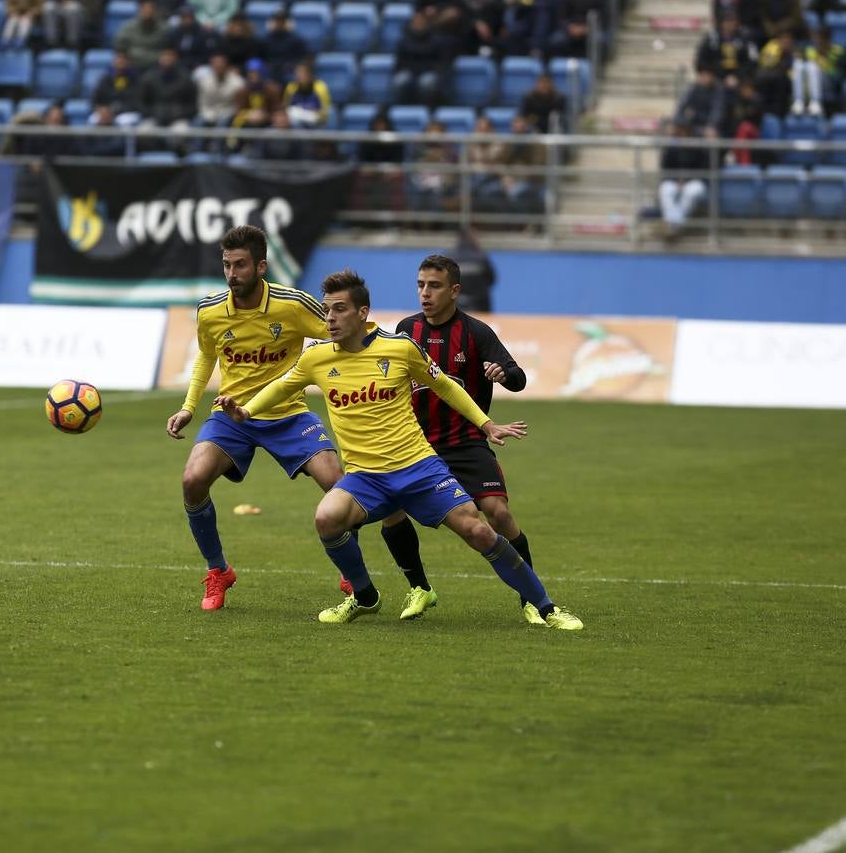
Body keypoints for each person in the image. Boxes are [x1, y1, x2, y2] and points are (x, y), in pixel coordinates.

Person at [215, 269, 581, 629]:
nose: (330, 318)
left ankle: (547, 608)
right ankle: (364, 596)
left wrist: (485, 424)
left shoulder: (400, 348)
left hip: (419, 468)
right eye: (327, 309)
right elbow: (282, 386)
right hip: (365, 478)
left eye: (340, 309)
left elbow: (446, 387)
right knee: (326, 518)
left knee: (480, 532)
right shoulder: (316, 358)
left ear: (362, 313)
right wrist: (246, 411)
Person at [166, 226, 398, 612]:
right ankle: (218, 570)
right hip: (232, 415)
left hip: (288, 414)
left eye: (240, 265)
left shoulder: (293, 305)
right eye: (226, 265)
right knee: (192, 480)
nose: (231, 273)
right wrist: (189, 407)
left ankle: (351, 574)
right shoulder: (209, 310)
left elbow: (343, 333)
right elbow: (207, 355)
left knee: (339, 484)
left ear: (261, 266)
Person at [357, 254, 561, 625]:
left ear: (454, 290)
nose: (425, 293)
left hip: (466, 442)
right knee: (392, 511)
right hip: (415, 444)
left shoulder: (476, 333)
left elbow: (518, 378)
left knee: (497, 512)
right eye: (420, 285)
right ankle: (419, 588)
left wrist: (503, 373)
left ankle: (530, 598)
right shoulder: (405, 330)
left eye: (434, 286)